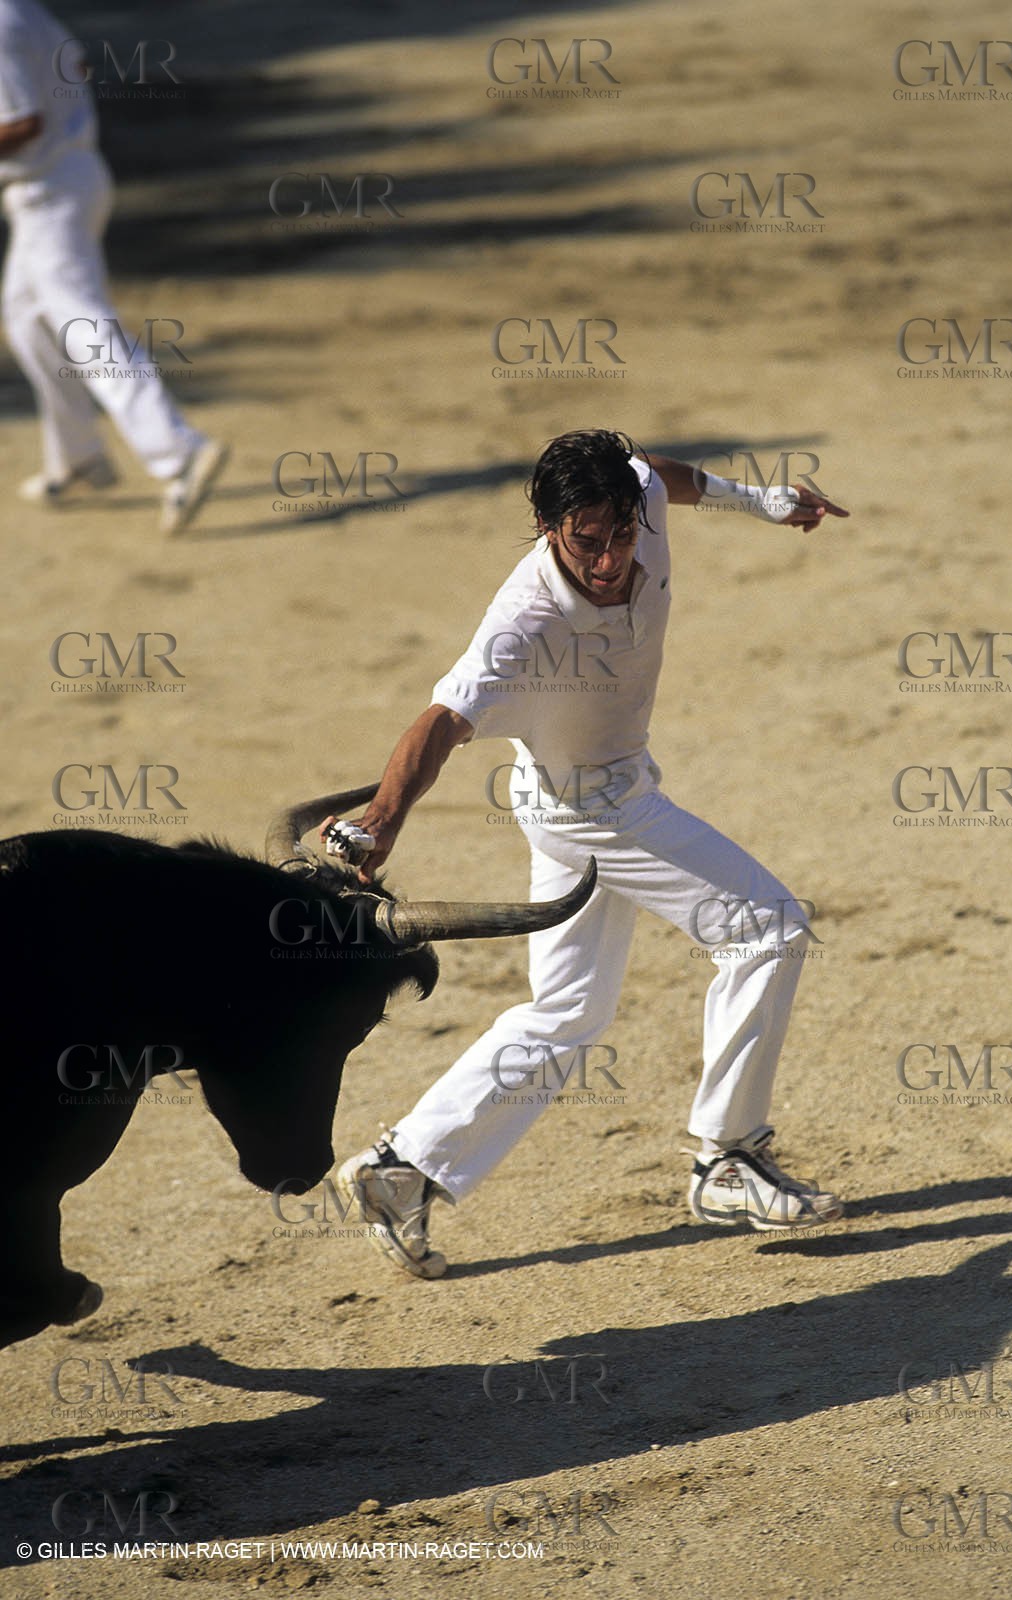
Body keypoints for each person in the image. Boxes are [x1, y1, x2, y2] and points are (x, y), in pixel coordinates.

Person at [328, 429, 850, 1278]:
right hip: (595, 809)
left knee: (568, 1011)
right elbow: (440, 725)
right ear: (544, 526)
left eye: (619, 536)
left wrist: (758, 500)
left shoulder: (632, 494)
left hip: (588, 791)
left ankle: (403, 1169)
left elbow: (660, 474)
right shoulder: (521, 624)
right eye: (584, 541)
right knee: (768, 930)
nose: (608, 559)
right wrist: (382, 819)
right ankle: (726, 1159)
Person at [0, 0, 227, 534]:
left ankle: (179, 451)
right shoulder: (20, 9)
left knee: (81, 324)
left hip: (51, 191)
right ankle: (79, 457)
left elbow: (22, 122)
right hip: (66, 179)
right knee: (27, 321)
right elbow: (76, 66)